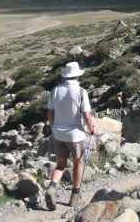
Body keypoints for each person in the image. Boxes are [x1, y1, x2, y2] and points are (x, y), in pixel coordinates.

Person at [45, 61, 95, 211]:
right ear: (78, 76)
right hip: (75, 135)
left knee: (60, 165)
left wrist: (53, 127)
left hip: (58, 134)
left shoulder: (55, 90)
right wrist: (91, 128)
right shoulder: (81, 92)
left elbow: (50, 111)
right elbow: (86, 114)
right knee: (78, 164)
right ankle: (74, 198)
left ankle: (52, 188)